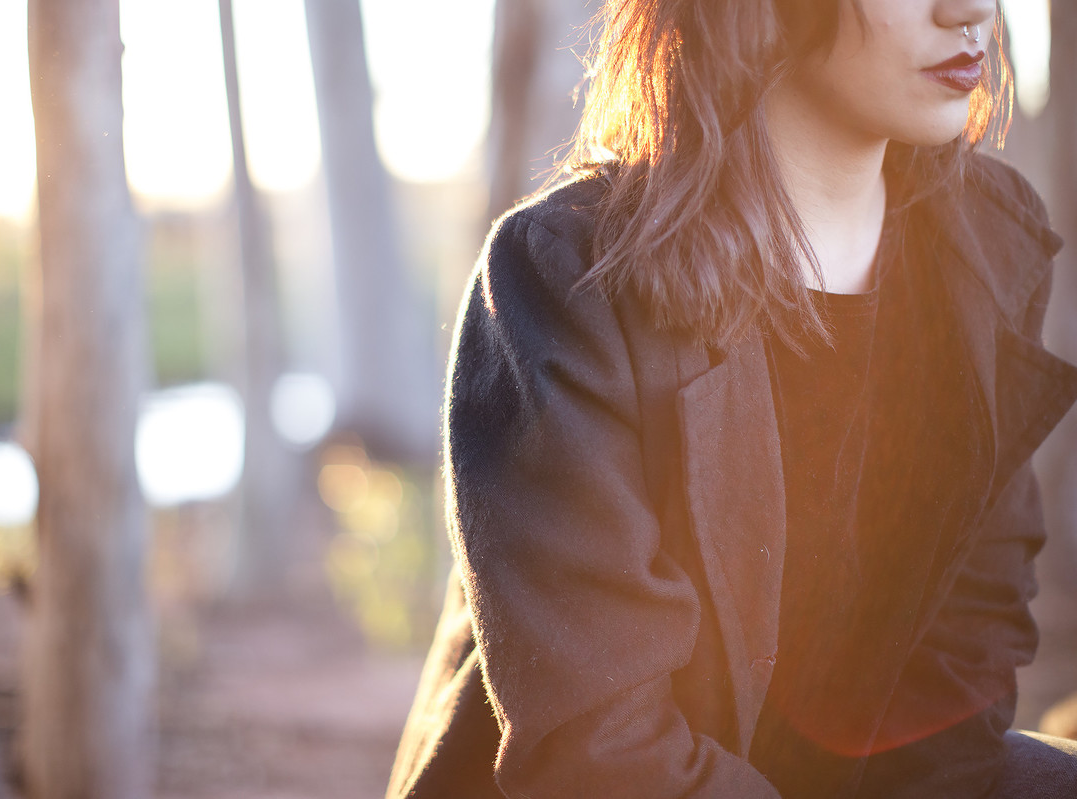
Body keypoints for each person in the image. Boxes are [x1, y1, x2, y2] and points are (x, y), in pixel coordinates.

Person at [387, 0, 1077, 796]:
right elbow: (601, 747)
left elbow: (968, 637)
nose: (972, 11)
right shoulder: (571, 274)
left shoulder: (985, 241)